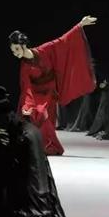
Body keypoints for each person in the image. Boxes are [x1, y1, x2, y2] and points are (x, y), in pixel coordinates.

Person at [9, 15, 97, 155]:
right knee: (36, 114)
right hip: (35, 93)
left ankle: (48, 146)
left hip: (49, 90)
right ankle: (37, 145)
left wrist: (80, 25)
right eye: (13, 51)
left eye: (17, 49)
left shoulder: (45, 50)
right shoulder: (24, 66)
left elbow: (62, 41)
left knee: (47, 119)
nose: (15, 53)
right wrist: (27, 105)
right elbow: (26, 87)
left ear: (23, 45)